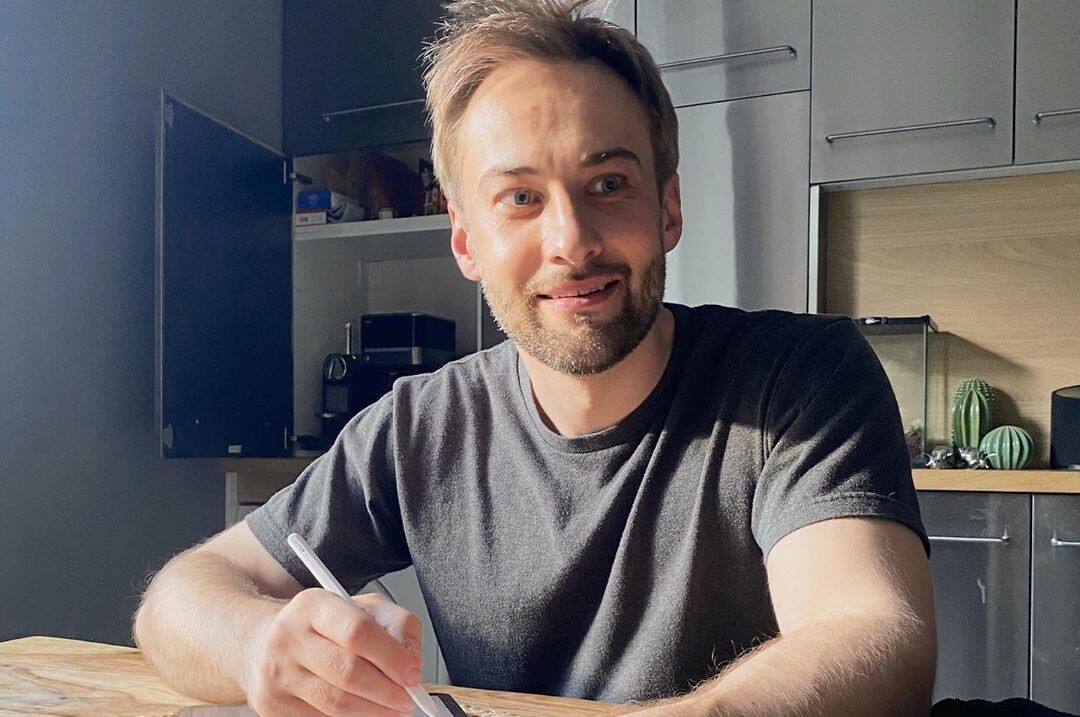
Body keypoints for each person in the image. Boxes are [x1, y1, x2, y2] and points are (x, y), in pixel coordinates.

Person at [134, 1, 937, 715]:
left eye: (608, 183)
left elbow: (875, 634)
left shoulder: (799, 378)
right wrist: (262, 643)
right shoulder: (420, 426)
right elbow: (176, 599)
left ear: (668, 206)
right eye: (520, 197)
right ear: (465, 241)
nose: (571, 241)